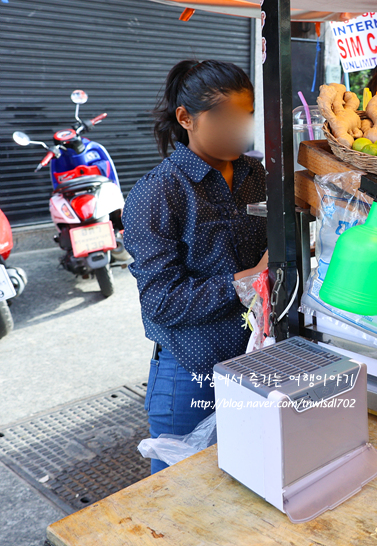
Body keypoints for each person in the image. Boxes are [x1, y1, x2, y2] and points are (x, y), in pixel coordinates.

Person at [123, 60, 267, 474]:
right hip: (191, 373)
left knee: (248, 485)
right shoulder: (158, 192)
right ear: (186, 118)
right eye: (226, 117)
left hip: (258, 362)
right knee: (181, 500)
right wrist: (247, 281)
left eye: (247, 116)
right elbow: (161, 301)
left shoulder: (255, 174)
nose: (241, 128)